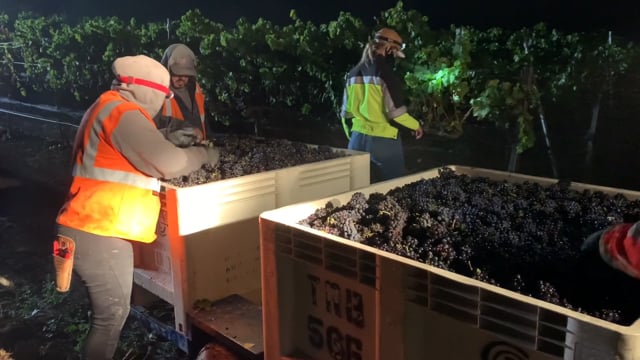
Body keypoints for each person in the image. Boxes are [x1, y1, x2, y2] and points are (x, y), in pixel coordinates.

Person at [53, 54, 219, 359]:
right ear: (147, 90)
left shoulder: (108, 106)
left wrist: (166, 136)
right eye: (163, 95)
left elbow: (125, 148)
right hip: (97, 232)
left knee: (108, 317)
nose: (162, 101)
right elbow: (167, 163)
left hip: (85, 227)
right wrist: (204, 157)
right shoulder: (122, 112)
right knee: (111, 317)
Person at [340, 28, 424, 183]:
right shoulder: (385, 74)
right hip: (383, 143)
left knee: (356, 189)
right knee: (392, 188)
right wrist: (416, 126)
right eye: (395, 52)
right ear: (389, 48)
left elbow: (345, 114)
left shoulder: (352, 73)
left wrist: (352, 135)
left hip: (356, 140)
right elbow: (395, 113)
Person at [156, 43, 208, 147]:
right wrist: (186, 128)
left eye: (186, 75)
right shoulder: (157, 93)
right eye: (177, 74)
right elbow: (155, 123)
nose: (181, 79)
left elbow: (203, 120)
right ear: (167, 69)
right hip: (173, 153)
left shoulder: (195, 88)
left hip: (197, 150)